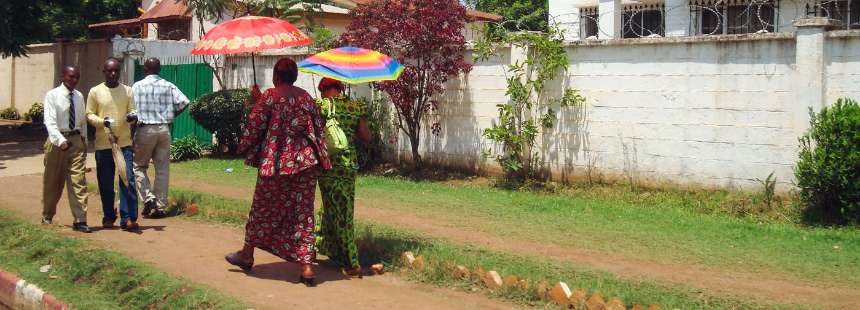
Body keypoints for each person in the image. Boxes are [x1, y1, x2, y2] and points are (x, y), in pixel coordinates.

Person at [225, 58, 331, 287]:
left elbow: (254, 127)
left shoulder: (270, 97)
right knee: (303, 213)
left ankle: (247, 254)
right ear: (293, 77)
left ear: (275, 76)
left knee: (261, 209)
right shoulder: (306, 98)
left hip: (276, 165)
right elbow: (318, 130)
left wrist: (254, 105)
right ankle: (307, 267)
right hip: (305, 164)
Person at [314, 78, 371, 277]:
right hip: (348, 168)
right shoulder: (355, 107)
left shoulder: (321, 105)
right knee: (338, 209)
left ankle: (351, 262)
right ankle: (318, 247)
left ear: (323, 89)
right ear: (340, 88)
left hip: (327, 166)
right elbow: (366, 137)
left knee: (336, 210)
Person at [131, 58, 189, 219]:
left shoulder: (137, 86)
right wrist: (171, 115)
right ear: (159, 69)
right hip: (164, 129)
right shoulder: (168, 85)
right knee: (162, 169)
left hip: (145, 129)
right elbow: (184, 102)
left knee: (138, 166)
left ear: (145, 69)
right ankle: (160, 206)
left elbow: (131, 111)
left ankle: (148, 197)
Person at [86, 57, 140, 231]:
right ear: (104, 72)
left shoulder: (128, 91)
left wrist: (133, 116)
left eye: (116, 70)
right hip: (104, 144)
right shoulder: (95, 92)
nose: (113, 74)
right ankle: (109, 215)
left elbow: (133, 110)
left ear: (120, 71)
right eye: (109, 71)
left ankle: (128, 218)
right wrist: (103, 122)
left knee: (128, 179)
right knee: (106, 183)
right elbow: (89, 115)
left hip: (124, 143)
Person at [42, 66, 90, 233]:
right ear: (64, 76)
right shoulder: (52, 95)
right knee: (53, 181)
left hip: (76, 140)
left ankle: (80, 220)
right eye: (71, 76)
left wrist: (84, 141)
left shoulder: (79, 96)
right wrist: (60, 141)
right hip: (57, 142)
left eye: (77, 77)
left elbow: (82, 120)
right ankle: (47, 214)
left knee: (78, 181)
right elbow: (50, 122)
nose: (74, 80)